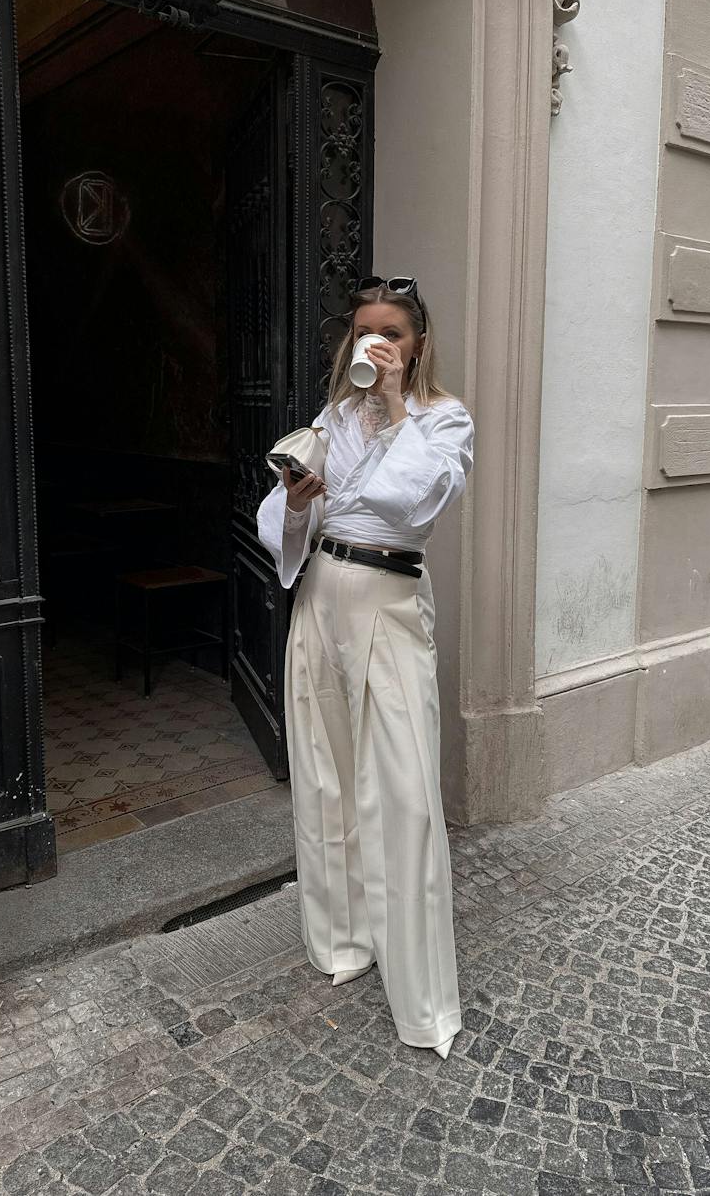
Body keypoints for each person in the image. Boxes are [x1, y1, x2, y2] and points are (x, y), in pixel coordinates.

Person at [256, 274, 474, 1060]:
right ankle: (343, 940)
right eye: (364, 332)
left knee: (404, 792)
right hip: (320, 596)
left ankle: (423, 999)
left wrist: (393, 402)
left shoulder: (443, 419)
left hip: (389, 602)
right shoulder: (333, 417)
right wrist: (299, 502)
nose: (375, 343)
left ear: (419, 343)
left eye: (392, 332)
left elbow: (414, 502)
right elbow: (284, 522)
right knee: (326, 775)